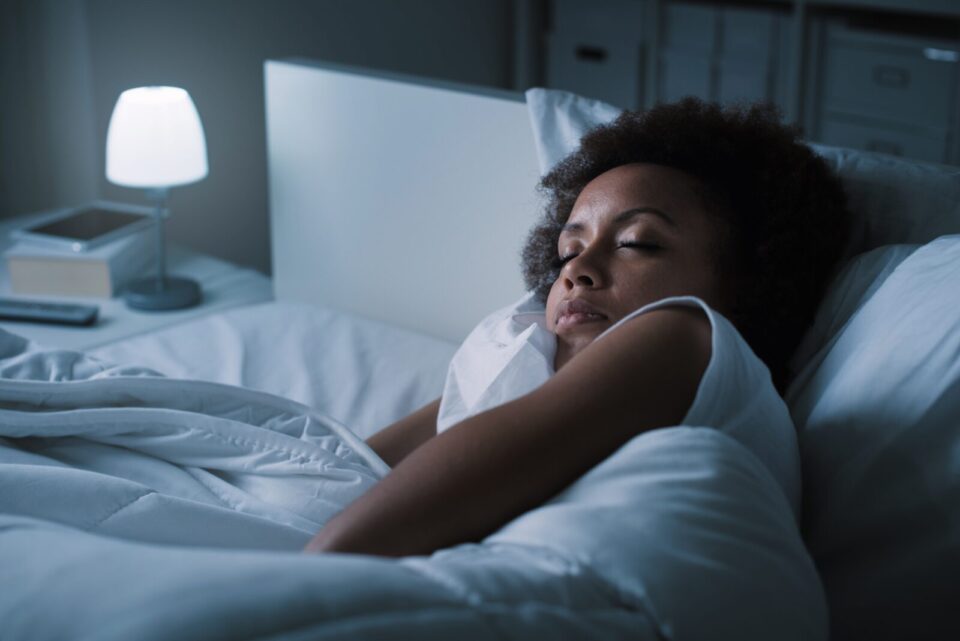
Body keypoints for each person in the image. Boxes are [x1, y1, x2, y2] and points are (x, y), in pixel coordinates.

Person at [305, 97, 851, 557]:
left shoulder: (685, 338)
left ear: (748, 282)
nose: (576, 272)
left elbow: (346, 545)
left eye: (637, 242)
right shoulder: (524, 356)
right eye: (569, 249)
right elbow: (339, 474)